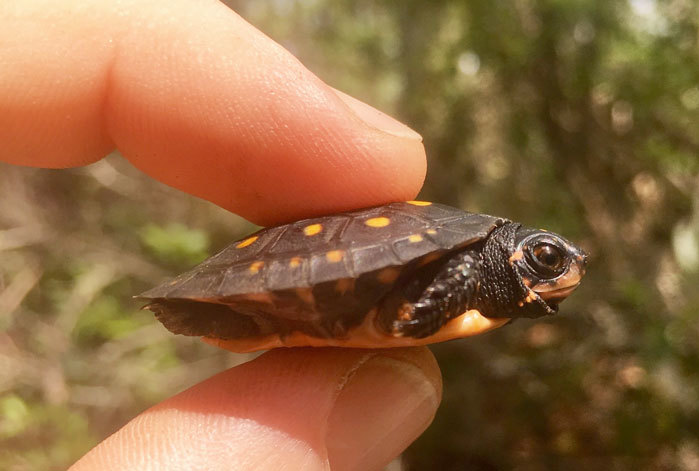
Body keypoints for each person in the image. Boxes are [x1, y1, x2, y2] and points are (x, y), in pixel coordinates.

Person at [2, 1, 441, 469]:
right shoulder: (471, 255)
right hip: (282, 282)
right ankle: (210, 304)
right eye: (534, 254)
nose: (532, 266)